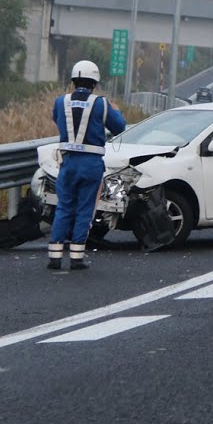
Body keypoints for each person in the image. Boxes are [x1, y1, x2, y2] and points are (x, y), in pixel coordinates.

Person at [48, 60, 127, 270]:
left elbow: (56, 119)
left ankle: (54, 257)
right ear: (95, 82)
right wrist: (115, 111)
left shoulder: (60, 102)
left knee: (64, 207)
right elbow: (119, 127)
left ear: (74, 81)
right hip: (91, 164)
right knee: (84, 209)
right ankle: (76, 257)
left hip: (68, 162)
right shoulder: (101, 103)